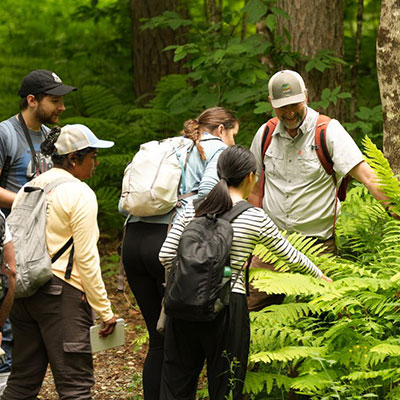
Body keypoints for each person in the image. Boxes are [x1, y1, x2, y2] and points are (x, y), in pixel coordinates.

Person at [158, 145, 331, 400]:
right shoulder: (255, 218)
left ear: (219, 174)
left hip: (183, 306)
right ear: (251, 176)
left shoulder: (192, 210)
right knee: (226, 385)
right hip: (229, 306)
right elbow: (290, 256)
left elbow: (164, 256)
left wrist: (190, 279)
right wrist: (321, 277)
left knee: (176, 384)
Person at [120, 107, 238, 400]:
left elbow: (125, 203)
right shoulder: (216, 148)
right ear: (222, 129)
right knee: (174, 340)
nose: (233, 142)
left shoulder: (170, 146)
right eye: (234, 134)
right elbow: (208, 190)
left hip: (133, 239)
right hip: (166, 240)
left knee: (157, 339)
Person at [248, 69, 391, 311]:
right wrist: (251, 239)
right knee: (252, 312)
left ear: (306, 96)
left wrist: (393, 205)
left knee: (322, 316)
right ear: (271, 103)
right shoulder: (265, 134)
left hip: (318, 246)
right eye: (282, 107)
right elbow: (253, 188)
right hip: (272, 244)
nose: (289, 112)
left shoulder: (328, 131)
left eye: (295, 103)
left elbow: (366, 174)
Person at [2, 124, 117, 400]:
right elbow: (87, 258)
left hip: (25, 293)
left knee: (22, 383)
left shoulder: (28, 188)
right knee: (75, 387)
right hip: (62, 295)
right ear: (74, 158)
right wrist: (105, 310)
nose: (96, 163)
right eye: (92, 156)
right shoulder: (80, 194)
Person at [0, 68, 76, 378]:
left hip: (41, 243)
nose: (62, 108)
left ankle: (18, 380)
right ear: (32, 100)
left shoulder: (49, 137)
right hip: (7, 240)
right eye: (55, 101)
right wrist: (25, 201)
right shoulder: (6, 134)